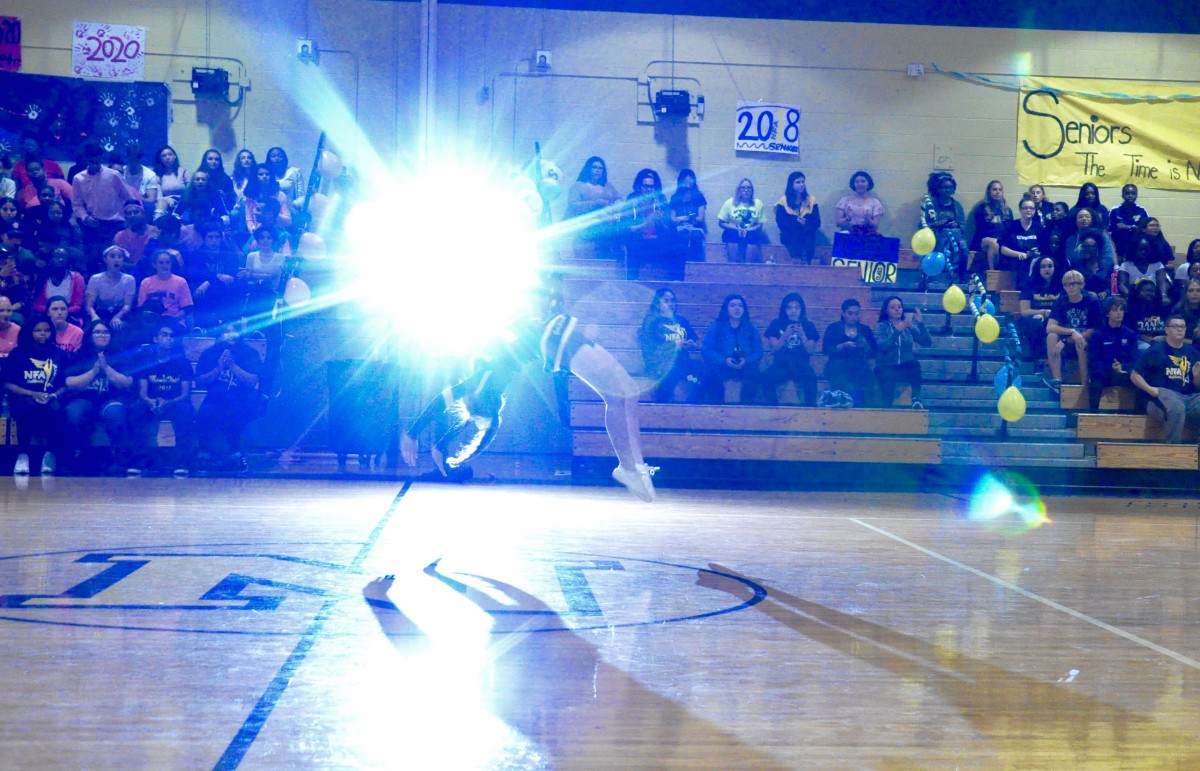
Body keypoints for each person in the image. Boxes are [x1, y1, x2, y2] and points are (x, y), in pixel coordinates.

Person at [401, 287, 658, 501]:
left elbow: (464, 425)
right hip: (549, 336)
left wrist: (435, 445)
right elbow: (455, 418)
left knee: (629, 393)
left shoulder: (483, 400)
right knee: (617, 396)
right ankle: (628, 467)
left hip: (551, 332)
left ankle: (633, 467)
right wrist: (425, 440)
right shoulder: (481, 393)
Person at [62, 319, 136, 473]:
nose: (102, 335)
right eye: (98, 332)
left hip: (111, 399)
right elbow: (69, 383)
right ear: (90, 335)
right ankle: (74, 457)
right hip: (85, 399)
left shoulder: (121, 355)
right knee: (73, 411)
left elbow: (127, 383)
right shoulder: (79, 355)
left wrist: (107, 368)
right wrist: (94, 372)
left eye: (106, 332)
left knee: (116, 413)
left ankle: (122, 461)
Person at [194, 321, 263, 474]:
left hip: (241, 398)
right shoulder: (210, 353)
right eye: (227, 331)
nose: (230, 335)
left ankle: (235, 455)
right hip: (215, 398)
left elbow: (252, 381)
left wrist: (232, 365)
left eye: (234, 331)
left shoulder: (249, 353)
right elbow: (199, 382)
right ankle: (205, 454)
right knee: (205, 414)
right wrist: (218, 369)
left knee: (236, 413)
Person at [128, 322, 196, 476]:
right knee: (135, 409)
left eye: (172, 336)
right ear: (155, 339)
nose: (169, 339)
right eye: (164, 335)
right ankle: (139, 461)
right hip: (152, 403)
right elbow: (142, 393)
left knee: (185, 410)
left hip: (175, 403)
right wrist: (150, 402)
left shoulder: (182, 361)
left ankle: (181, 462)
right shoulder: (146, 361)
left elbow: (185, 394)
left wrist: (168, 403)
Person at [3, 314, 66, 476]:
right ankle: (23, 455)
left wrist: (53, 395)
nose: (42, 333)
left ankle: (50, 454)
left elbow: (66, 384)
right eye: (38, 330)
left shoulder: (59, 354)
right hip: (24, 397)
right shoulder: (17, 354)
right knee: (28, 408)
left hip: (51, 397)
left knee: (54, 409)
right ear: (29, 332)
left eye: (46, 330)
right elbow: (8, 384)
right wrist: (32, 393)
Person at [1131, 315, 1200, 444]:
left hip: (1187, 397)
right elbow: (1135, 375)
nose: (1179, 329)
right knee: (1176, 407)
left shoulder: (1193, 353)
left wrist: (1197, 377)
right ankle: (1173, 451)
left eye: (1182, 327)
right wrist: (1151, 390)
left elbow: (1196, 386)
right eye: (1175, 326)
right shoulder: (1155, 351)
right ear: (1166, 330)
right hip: (1159, 396)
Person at [638, 288, 702, 403]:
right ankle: (663, 403)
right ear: (657, 304)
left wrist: (692, 344)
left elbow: (696, 341)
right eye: (666, 301)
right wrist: (675, 345)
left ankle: (694, 400)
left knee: (699, 376)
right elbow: (650, 346)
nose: (670, 304)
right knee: (672, 371)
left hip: (682, 362)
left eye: (672, 301)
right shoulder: (652, 322)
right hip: (659, 364)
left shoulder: (681, 321)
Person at [1044, 270, 1102, 394]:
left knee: (1080, 342)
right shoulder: (1061, 300)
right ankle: (1057, 381)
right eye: (1066, 284)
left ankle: (1084, 385)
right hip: (1069, 339)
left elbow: (1094, 329)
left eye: (1074, 284)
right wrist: (1071, 331)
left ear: (1081, 285)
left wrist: (1068, 339)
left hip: (1087, 341)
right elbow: (1050, 327)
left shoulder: (1091, 301)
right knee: (1051, 337)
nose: (1070, 287)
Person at [70, 143, 130, 260]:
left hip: (114, 224)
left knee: (114, 259)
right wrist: (85, 217)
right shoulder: (78, 179)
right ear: (86, 159)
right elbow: (77, 205)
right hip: (92, 224)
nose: (94, 165)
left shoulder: (114, 175)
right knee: (92, 260)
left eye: (97, 162)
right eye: (91, 162)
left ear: (101, 158)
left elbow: (128, 198)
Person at [701, 293, 762, 403]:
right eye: (733, 305)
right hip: (721, 365)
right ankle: (718, 409)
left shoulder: (751, 328)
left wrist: (746, 360)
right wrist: (724, 360)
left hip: (745, 365)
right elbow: (706, 351)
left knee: (755, 375)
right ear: (726, 309)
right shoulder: (716, 326)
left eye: (740, 305)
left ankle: (746, 408)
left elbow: (758, 352)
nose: (737, 308)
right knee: (711, 376)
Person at [761, 292, 819, 406]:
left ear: (801, 309)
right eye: (789, 308)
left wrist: (802, 335)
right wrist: (785, 335)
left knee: (811, 377)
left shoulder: (808, 325)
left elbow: (810, 351)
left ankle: (811, 409)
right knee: (766, 377)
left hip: (801, 364)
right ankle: (772, 408)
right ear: (784, 310)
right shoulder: (776, 324)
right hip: (781, 364)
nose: (793, 311)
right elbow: (774, 350)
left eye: (797, 308)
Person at [874, 296, 932, 409]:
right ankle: (887, 408)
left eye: (899, 307)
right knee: (886, 375)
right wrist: (898, 330)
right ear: (886, 310)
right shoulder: (881, 326)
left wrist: (920, 323)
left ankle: (916, 399)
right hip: (888, 365)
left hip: (904, 366)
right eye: (893, 307)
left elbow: (926, 342)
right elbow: (883, 346)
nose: (897, 310)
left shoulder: (908, 325)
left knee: (914, 364)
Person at [820, 299, 877, 408]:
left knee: (865, 373)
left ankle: (861, 405)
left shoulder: (864, 330)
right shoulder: (833, 328)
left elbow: (873, 351)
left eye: (856, 314)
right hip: (837, 363)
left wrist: (865, 346)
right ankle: (840, 401)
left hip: (859, 364)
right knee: (840, 370)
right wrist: (842, 346)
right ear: (843, 313)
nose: (853, 317)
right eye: (850, 313)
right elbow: (826, 349)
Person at [1087, 296, 1139, 411]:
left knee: (1141, 383)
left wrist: (1123, 367)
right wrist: (1110, 366)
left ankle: (1137, 417)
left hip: (1124, 373)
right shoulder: (1098, 335)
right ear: (1107, 313)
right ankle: (1092, 415)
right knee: (1095, 385)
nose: (1119, 313)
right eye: (1115, 310)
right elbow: (1093, 360)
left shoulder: (1130, 335)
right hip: (1105, 373)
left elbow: (1134, 359)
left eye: (1121, 309)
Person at [564, 156, 621, 259]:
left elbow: (619, 199)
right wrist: (595, 203)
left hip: (607, 223)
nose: (598, 171)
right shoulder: (578, 186)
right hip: (586, 225)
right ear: (589, 168)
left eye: (600, 168)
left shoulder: (608, 185)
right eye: (595, 167)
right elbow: (573, 205)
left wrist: (615, 208)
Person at [621, 169, 674, 280]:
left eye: (651, 187)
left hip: (658, 239)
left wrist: (661, 221)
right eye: (645, 186)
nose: (648, 190)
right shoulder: (632, 200)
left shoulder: (660, 200)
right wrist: (647, 222)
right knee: (633, 246)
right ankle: (632, 282)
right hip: (638, 239)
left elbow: (668, 225)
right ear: (639, 187)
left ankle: (675, 282)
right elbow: (626, 227)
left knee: (677, 247)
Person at [918, 171, 967, 280]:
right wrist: (937, 224)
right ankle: (935, 277)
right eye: (945, 187)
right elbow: (923, 225)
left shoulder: (957, 206)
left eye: (950, 187)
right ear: (938, 189)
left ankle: (961, 276)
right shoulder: (931, 205)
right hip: (938, 235)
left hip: (956, 235)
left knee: (963, 248)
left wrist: (956, 224)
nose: (948, 190)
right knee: (942, 245)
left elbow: (963, 225)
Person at [138, 249, 195, 334]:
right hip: (152, 323)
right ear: (154, 265)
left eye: (167, 262)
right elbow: (142, 309)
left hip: (174, 321)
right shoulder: (146, 283)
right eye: (161, 263)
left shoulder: (181, 282)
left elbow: (186, 308)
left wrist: (173, 319)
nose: (165, 266)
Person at [1016, 257, 1061, 365]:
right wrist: (1043, 312)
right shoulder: (1029, 285)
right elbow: (1024, 311)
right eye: (1043, 266)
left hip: (1054, 318)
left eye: (1050, 266)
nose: (1047, 269)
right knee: (1036, 324)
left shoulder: (1060, 286)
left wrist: (1048, 316)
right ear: (1038, 269)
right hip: (1033, 317)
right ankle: (1039, 360)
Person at [85, 245, 136, 332]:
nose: (116, 260)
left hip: (120, 314)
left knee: (121, 327)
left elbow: (127, 305)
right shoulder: (95, 279)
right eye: (112, 256)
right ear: (105, 259)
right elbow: (89, 305)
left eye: (119, 257)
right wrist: (95, 317)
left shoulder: (129, 279)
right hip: (101, 313)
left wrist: (118, 317)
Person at [775, 171, 822, 264]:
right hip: (790, 234)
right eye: (798, 182)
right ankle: (797, 258)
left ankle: (808, 259)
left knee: (808, 232)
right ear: (791, 184)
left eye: (803, 182)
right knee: (795, 230)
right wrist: (794, 220)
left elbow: (817, 221)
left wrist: (806, 221)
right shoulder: (783, 201)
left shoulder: (811, 199)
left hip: (807, 232)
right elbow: (780, 221)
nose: (801, 185)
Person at [717, 179, 765, 263]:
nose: (746, 190)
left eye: (748, 188)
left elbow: (760, 224)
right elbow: (721, 222)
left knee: (753, 237)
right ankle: (733, 265)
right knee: (731, 236)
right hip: (734, 231)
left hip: (750, 231)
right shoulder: (729, 202)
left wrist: (748, 230)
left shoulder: (758, 203)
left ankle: (748, 267)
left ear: (752, 190)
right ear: (738, 190)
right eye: (743, 188)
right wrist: (736, 228)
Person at [968, 180, 1012, 272]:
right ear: (989, 192)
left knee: (996, 245)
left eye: (1000, 190)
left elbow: (1009, 229)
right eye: (994, 189)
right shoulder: (981, 208)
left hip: (1000, 241)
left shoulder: (1007, 210)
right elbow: (979, 229)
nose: (997, 192)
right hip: (982, 241)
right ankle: (992, 271)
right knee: (994, 243)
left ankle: (1000, 271)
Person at [999, 196, 1043, 285]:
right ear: (1020, 210)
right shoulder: (1011, 226)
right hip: (1014, 261)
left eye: (1031, 208)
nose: (1028, 210)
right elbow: (1003, 249)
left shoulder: (1039, 227)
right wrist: (1019, 254)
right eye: (1025, 208)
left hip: (1033, 261)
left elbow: (1043, 247)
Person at [33, 248, 86, 320]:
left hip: (70, 316)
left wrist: (61, 312)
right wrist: (53, 312)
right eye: (57, 256)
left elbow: (78, 305)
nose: (61, 260)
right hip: (46, 315)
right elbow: (37, 305)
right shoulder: (41, 278)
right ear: (50, 260)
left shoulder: (77, 278)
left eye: (64, 257)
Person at [667, 169, 706, 264]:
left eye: (690, 181)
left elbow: (701, 218)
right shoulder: (675, 197)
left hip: (695, 228)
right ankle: (678, 269)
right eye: (685, 181)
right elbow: (672, 218)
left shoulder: (699, 196)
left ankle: (694, 267)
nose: (688, 184)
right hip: (679, 228)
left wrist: (684, 218)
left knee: (695, 236)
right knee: (679, 236)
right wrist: (681, 220)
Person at [1117, 235, 1170, 300]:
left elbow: (1162, 283)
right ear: (1134, 250)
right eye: (1140, 250)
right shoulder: (1126, 265)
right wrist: (1129, 296)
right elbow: (1122, 285)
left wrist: (1164, 296)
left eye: (1146, 250)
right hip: (1134, 297)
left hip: (1154, 297)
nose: (1143, 252)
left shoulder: (1157, 265)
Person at [1125, 278, 1168, 353]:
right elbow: (1127, 330)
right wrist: (1141, 337)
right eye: (1145, 291)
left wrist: (1163, 337)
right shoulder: (1130, 310)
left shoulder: (1163, 309)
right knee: (1145, 348)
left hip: (1161, 341)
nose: (1149, 293)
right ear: (1137, 294)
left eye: (1151, 291)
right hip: (1139, 342)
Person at [1108, 183, 1148, 257]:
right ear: (1122, 195)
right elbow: (1108, 231)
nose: (1130, 196)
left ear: (1136, 195)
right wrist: (1117, 228)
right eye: (1127, 193)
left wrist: (1137, 228)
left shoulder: (1142, 210)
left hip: (1137, 247)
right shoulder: (1114, 210)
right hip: (1119, 247)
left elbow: (1147, 229)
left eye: (1133, 193)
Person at [119, 145, 160, 210]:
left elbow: (151, 199)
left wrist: (137, 199)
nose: (134, 163)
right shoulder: (120, 173)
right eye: (131, 160)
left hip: (141, 205)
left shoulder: (150, 175)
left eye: (136, 160)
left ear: (141, 159)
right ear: (127, 158)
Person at [152, 145, 189, 213]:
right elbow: (157, 196)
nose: (167, 157)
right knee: (161, 204)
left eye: (170, 154)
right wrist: (166, 199)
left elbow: (190, 191)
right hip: (165, 204)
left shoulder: (183, 172)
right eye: (164, 156)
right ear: (160, 159)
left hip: (182, 203)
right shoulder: (156, 175)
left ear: (175, 156)